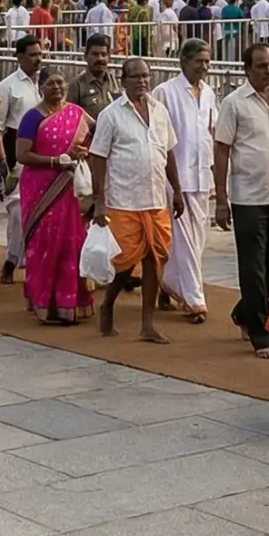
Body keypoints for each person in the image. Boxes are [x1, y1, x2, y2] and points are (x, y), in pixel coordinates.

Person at [214, 42, 269, 358]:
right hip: (248, 196)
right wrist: (221, 199)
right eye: (262, 66)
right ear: (247, 69)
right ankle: (260, 334)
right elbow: (222, 149)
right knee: (252, 266)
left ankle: (243, 311)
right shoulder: (233, 104)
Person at [88, 56, 179, 342]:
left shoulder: (160, 111)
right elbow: (97, 157)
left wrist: (176, 189)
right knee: (124, 263)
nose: (141, 81)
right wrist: (99, 200)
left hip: (155, 199)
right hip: (123, 199)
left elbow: (170, 153)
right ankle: (108, 305)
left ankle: (147, 324)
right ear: (123, 80)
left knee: (155, 260)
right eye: (135, 77)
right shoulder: (111, 115)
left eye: (145, 76)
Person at [17, 67, 93, 324]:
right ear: (40, 88)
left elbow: (97, 134)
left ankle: (68, 303)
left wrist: (83, 152)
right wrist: (54, 162)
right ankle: (43, 305)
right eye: (51, 84)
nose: (57, 88)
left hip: (69, 187)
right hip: (40, 187)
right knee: (43, 244)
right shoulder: (31, 117)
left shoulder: (76, 114)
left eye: (61, 83)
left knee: (70, 244)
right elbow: (22, 154)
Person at [153, 39, 217, 322]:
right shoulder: (165, 93)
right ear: (184, 62)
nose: (204, 66)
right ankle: (194, 299)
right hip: (175, 177)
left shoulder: (209, 93)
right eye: (199, 61)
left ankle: (168, 280)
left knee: (195, 240)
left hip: (202, 175)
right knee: (185, 240)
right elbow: (157, 138)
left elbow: (209, 133)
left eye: (207, 61)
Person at [0, 37, 45, 285]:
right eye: (33, 54)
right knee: (17, 213)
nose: (38, 59)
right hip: (18, 158)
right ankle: (11, 262)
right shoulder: (7, 86)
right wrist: (3, 165)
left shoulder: (46, 82)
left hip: (45, 155)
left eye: (40, 54)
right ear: (20, 57)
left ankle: (35, 265)